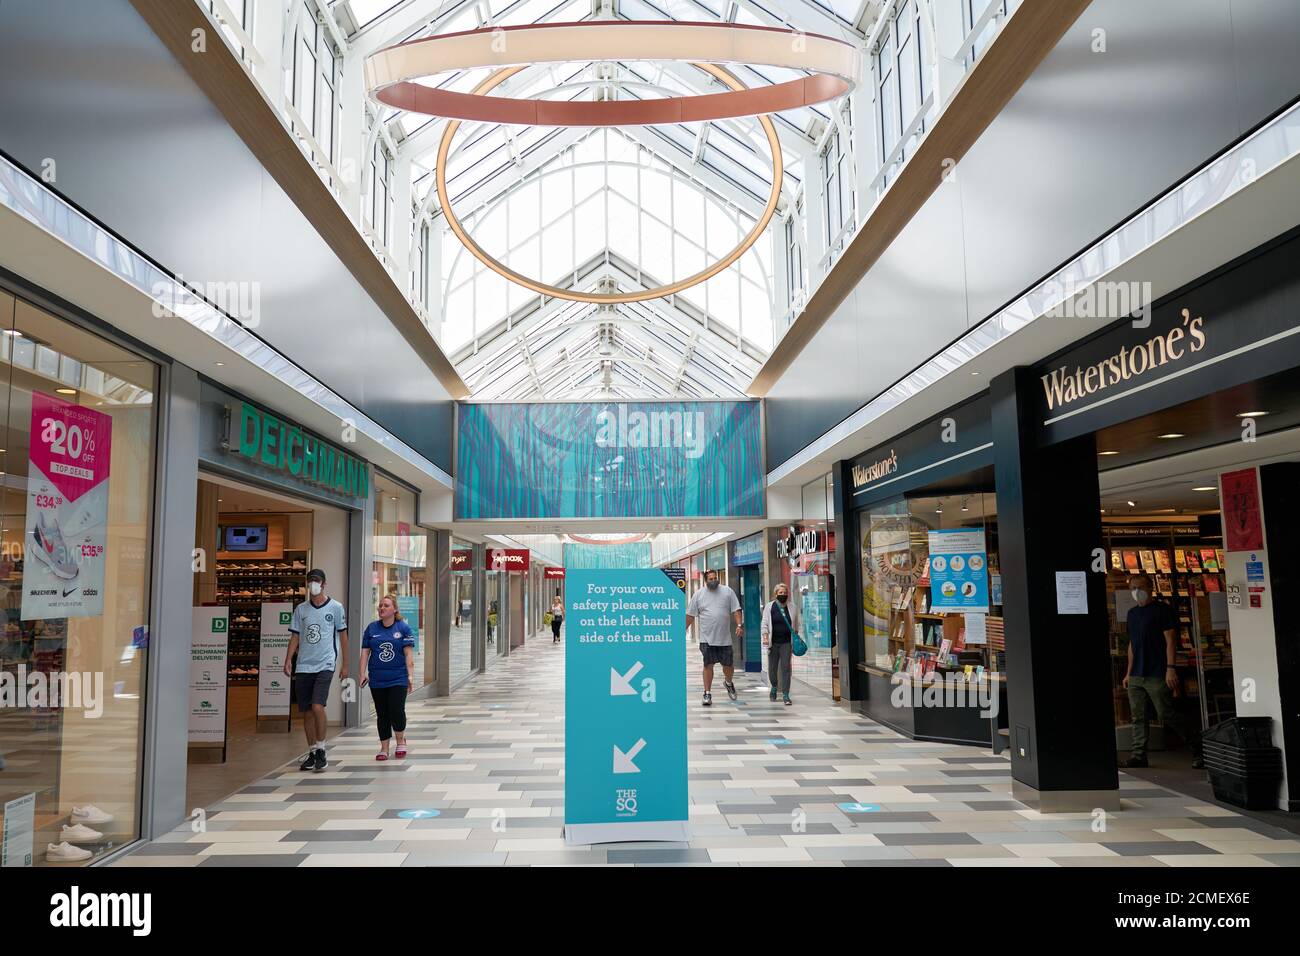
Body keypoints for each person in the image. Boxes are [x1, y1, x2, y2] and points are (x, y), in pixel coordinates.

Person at [1122, 574, 1203, 769]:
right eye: (1132, 588)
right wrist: (1128, 672)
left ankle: (1198, 746)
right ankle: (1138, 754)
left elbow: (1171, 640)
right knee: (1138, 715)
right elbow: (1132, 645)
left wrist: (1170, 668)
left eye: (1139, 587)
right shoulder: (1132, 614)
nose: (1136, 591)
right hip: (1137, 674)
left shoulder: (1162, 610)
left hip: (1157, 671)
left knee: (1165, 713)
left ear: (1150, 588)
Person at [284, 568, 348, 773]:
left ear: (324, 584)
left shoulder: (336, 608)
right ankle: (312, 752)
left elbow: (343, 637)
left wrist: (345, 665)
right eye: (310, 581)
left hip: (326, 663)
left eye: (316, 581)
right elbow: (295, 636)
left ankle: (321, 748)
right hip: (304, 664)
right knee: (307, 711)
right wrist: (288, 660)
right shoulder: (301, 609)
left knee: (317, 706)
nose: (313, 584)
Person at [360, 594, 415, 761]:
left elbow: (408, 655)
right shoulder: (371, 628)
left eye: (386, 605)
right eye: (380, 605)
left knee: (396, 710)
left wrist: (410, 677)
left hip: (398, 677)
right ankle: (384, 747)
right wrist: (362, 673)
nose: (381, 608)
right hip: (377, 679)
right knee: (382, 713)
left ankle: (400, 741)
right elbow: (365, 653)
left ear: (395, 609)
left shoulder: (403, 628)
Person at [686, 569, 742, 706]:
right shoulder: (698, 595)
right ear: (706, 581)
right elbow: (690, 615)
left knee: (728, 665)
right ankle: (707, 693)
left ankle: (728, 682)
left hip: (725, 639)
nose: (713, 580)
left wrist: (740, 625)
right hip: (707, 639)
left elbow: (736, 609)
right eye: (710, 579)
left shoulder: (727, 592)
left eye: (715, 578)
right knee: (708, 665)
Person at [761, 582, 799, 706]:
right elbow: (765, 624)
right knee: (772, 668)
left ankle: (786, 694)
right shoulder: (769, 606)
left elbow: (795, 626)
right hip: (773, 642)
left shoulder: (793, 607)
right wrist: (765, 637)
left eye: (785, 593)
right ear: (776, 594)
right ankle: (774, 686)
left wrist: (796, 639)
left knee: (786, 668)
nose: (783, 595)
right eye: (780, 593)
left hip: (786, 643)